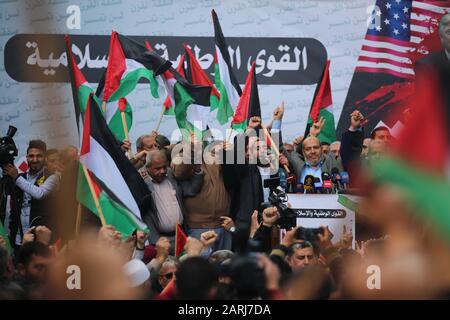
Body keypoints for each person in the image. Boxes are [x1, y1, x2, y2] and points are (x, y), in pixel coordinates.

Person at [2, 140, 60, 247]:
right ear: (27, 157)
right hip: (20, 237)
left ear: (45, 158)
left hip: (41, 237)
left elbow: (40, 193)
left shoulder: (52, 177)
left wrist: (16, 177)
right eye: (31, 156)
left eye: (39, 156)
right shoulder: (22, 177)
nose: (35, 159)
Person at [142, 149, 204, 245]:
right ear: (148, 168)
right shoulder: (141, 181)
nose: (162, 171)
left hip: (181, 236)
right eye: (158, 168)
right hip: (159, 241)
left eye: (164, 167)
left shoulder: (172, 175)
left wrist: (197, 172)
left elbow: (190, 191)